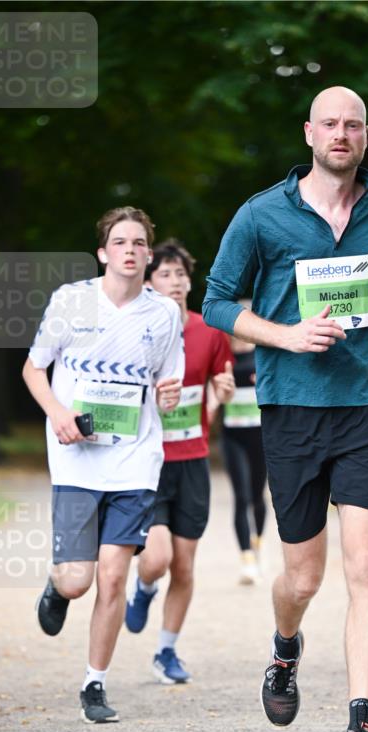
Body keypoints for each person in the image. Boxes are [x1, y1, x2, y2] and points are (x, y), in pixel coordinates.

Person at [203, 86, 368, 732]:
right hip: (291, 411)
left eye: (352, 124)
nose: (341, 133)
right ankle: (284, 646)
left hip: (365, 408)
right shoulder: (261, 214)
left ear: (364, 136)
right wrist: (284, 334)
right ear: (308, 133)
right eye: (329, 123)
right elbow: (213, 302)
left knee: (365, 569)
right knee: (302, 579)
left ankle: (362, 725)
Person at [23, 207, 184, 723]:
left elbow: (166, 389)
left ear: (148, 254)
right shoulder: (72, 301)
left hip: (135, 461)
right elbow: (33, 369)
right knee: (79, 580)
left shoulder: (163, 315)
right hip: (76, 461)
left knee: (114, 576)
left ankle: (94, 683)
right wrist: (58, 414)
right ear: (103, 252)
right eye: (120, 241)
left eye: (139, 242)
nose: (130, 250)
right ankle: (58, 585)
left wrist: (170, 395)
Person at [124, 239, 234, 683]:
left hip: (192, 462)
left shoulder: (210, 332)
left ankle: (166, 651)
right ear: (149, 282)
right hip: (148, 463)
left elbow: (211, 398)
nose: (174, 281)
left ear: (190, 282)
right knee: (157, 559)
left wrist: (219, 399)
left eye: (181, 274)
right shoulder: (136, 331)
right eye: (165, 273)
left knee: (185, 566)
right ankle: (144, 586)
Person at [220, 333, 268, 584]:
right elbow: (213, 390)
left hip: (260, 435)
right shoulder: (223, 357)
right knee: (241, 496)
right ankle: (247, 558)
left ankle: (257, 543)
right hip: (233, 437)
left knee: (258, 496)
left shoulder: (263, 354)